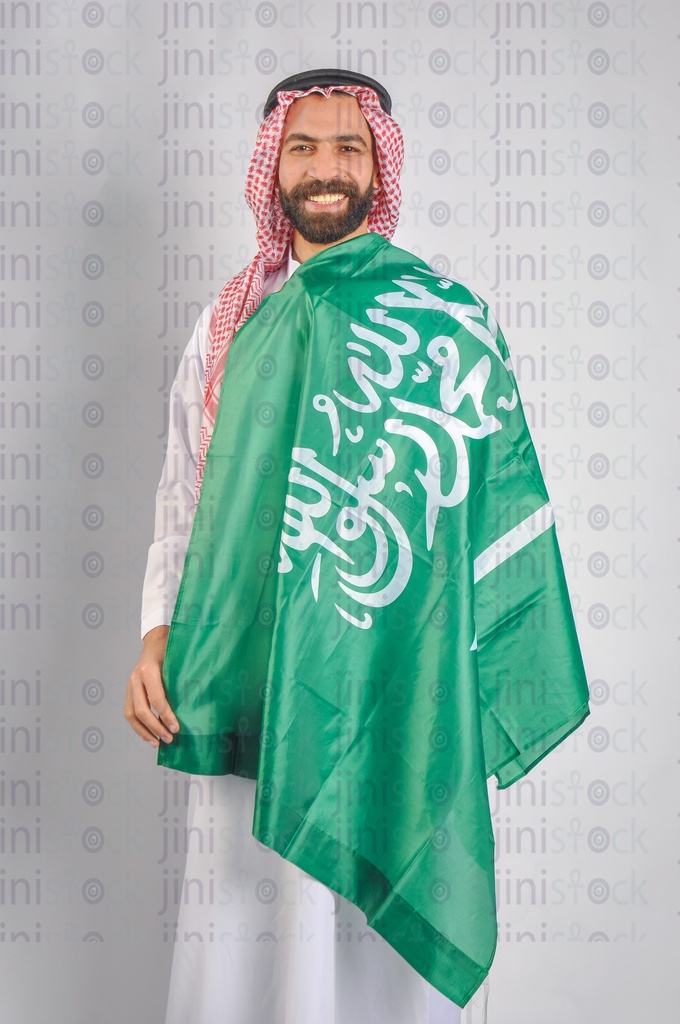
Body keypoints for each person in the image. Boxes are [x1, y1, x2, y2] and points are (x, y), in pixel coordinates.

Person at [125, 70, 590, 1023]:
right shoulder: (227, 328)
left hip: (399, 678)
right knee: (251, 929)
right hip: (245, 674)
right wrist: (154, 633)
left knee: (377, 959)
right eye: (304, 147)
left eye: (348, 146)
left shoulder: (446, 324)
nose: (326, 167)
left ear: (380, 164)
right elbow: (187, 489)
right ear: (273, 170)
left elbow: (489, 503)